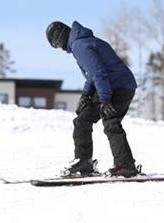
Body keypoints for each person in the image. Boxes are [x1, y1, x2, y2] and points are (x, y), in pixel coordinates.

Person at [46, 20, 139, 177]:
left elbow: (98, 73)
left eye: (56, 45)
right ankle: (84, 162)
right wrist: (86, 94)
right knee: (82, 120)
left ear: (59, 37)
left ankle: (125, 165)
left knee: (110, 121)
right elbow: (92, 74)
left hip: (119, 87)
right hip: (112, 85)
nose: (60, 49)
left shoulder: (79, 46)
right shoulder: (82, 42)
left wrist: (105, 100)